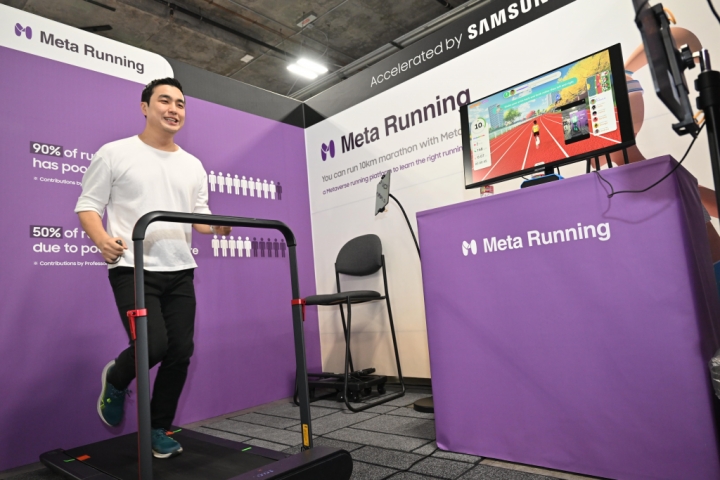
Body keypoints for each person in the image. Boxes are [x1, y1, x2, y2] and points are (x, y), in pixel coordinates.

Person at [74, 78, 231, 459]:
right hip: (132, 267)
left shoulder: (192, 164)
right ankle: (116, 377)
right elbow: (88, 205)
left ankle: (158, 427)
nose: (174, 109)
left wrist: (217, 227)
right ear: (145, 107)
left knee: (180, 352)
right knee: (153, 345)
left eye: (180, 103)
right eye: (164, 101)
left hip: (180, 269)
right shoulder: (114, 153)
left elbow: (199, 216)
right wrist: (101, 239)